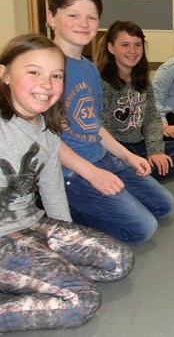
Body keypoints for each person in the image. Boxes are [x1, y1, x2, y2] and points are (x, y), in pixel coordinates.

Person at [0, 33, 134, 332]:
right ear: (4, 74)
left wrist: (63, 240)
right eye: (33, 72)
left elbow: (52, 190)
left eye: (56, 75)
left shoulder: (47, 132)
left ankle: (28, 278)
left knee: (118, 261)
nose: (46, 84)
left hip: (33, 227)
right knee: (81, 301)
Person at [48, 0, 174, 245]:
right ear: (51, 18)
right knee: (142, 228)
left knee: (163, 204)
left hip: (102, 156)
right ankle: (63, 217)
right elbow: (44, 138)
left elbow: (93, 124)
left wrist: (128, 156)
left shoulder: (88, 68)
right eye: (73, 15)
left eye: (91, 17)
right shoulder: (46, 67)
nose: (83, 23)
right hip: (71, 172)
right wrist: (92, 174)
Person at [97, 20, 174, 181]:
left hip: (140, 145)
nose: (132, 50)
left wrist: (155, 151)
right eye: (125, 45)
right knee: (108, 162)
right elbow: (101, 129)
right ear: (111, 47)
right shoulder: (102, 83)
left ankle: (134, 174)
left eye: (137, 45)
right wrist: (126, 156)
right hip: (115, 149)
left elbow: (152, 118)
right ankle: (135, 173)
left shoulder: (143, 81)